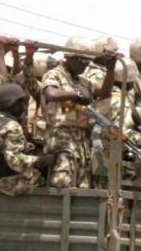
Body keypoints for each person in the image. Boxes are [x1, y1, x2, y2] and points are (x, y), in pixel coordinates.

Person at [40, 36, 117, 188]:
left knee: (82, 184)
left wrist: (110, 69)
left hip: (81, 137)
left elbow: (104, 93)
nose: (86, 65)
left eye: (88, 62)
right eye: (82, 61)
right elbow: (51, 94)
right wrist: (78, 95)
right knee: (62, 182)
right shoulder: (55, 74)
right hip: (61, 136)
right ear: (70, 57)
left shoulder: (83, 80)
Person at [0, 83, 55, 196]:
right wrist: (40, 160)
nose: (24, 107)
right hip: (12, 184)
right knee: (45, 177)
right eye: (21, 103)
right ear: (13, 104)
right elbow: (15, 161)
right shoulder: (12, 126)